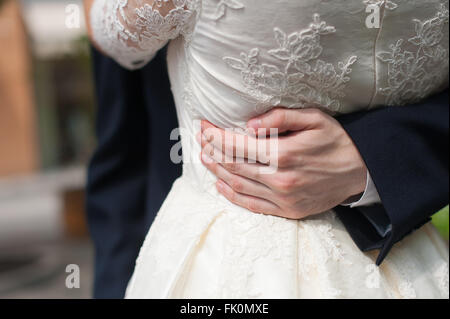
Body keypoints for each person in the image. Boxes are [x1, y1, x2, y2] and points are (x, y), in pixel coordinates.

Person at [85, 0, 449, 298]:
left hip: (224, 267)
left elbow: (108, 25)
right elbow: (123, 152)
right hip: (417, 268)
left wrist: (375, 157)